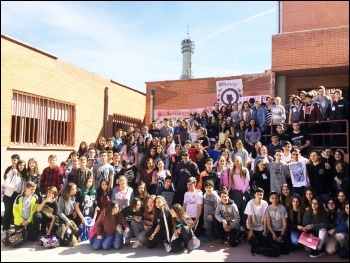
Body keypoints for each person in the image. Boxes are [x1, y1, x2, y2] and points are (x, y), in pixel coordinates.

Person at [228, 156, 249, 229]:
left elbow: (247, 182)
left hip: (243, 192)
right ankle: (237, 225)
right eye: (235, 161)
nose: (236, 162)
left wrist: (243, 191)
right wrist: (228, 190)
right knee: (237, 209)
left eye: (238, 161)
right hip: (235, 192)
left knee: (243, 209)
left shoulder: (245, 170)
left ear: (240, 161)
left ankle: (244, 226)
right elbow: (230, 182)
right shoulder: (232, 170)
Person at [2, 163, 23, 235]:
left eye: (23, 165)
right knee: (8, 212)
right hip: (9, 196)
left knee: (16, 213)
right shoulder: (12, 172)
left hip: (18, 196)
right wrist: (15, 188)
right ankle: (5, 229)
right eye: (20, 165)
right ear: (17, 165)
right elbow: (5, 183)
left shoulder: (23, 174)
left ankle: (15, 230)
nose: (22, 167)